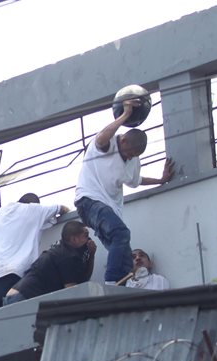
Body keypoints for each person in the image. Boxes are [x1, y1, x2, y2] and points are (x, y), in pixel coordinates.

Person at [74, 99, 175, 285]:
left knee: (124, 256)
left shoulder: (133, 161)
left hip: (108, 210)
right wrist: (125, 115)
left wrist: (160, 180)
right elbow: (101, 138)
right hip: (89, 202)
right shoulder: (107, 145)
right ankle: (111, 282)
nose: (130, 157)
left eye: (134, 155)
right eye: (129, 152)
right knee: (121, 233)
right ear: (123, 140)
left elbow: (137, 180)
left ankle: (123, 287)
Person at [0, 193, 68, 309]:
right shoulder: (33, 209)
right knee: (26, 315)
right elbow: (62, 209)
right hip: (13, 278)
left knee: (2, 319)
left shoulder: (1, 212)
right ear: (33, 204)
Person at [2, 220, 96, 305]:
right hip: (21, 298)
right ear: (74, 239)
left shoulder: (64, 250)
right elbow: (73, 291)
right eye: (86, 235)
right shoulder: (66, 257)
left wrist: (91, 255)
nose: (89, 239)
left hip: (18, 296)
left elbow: (82, 280)